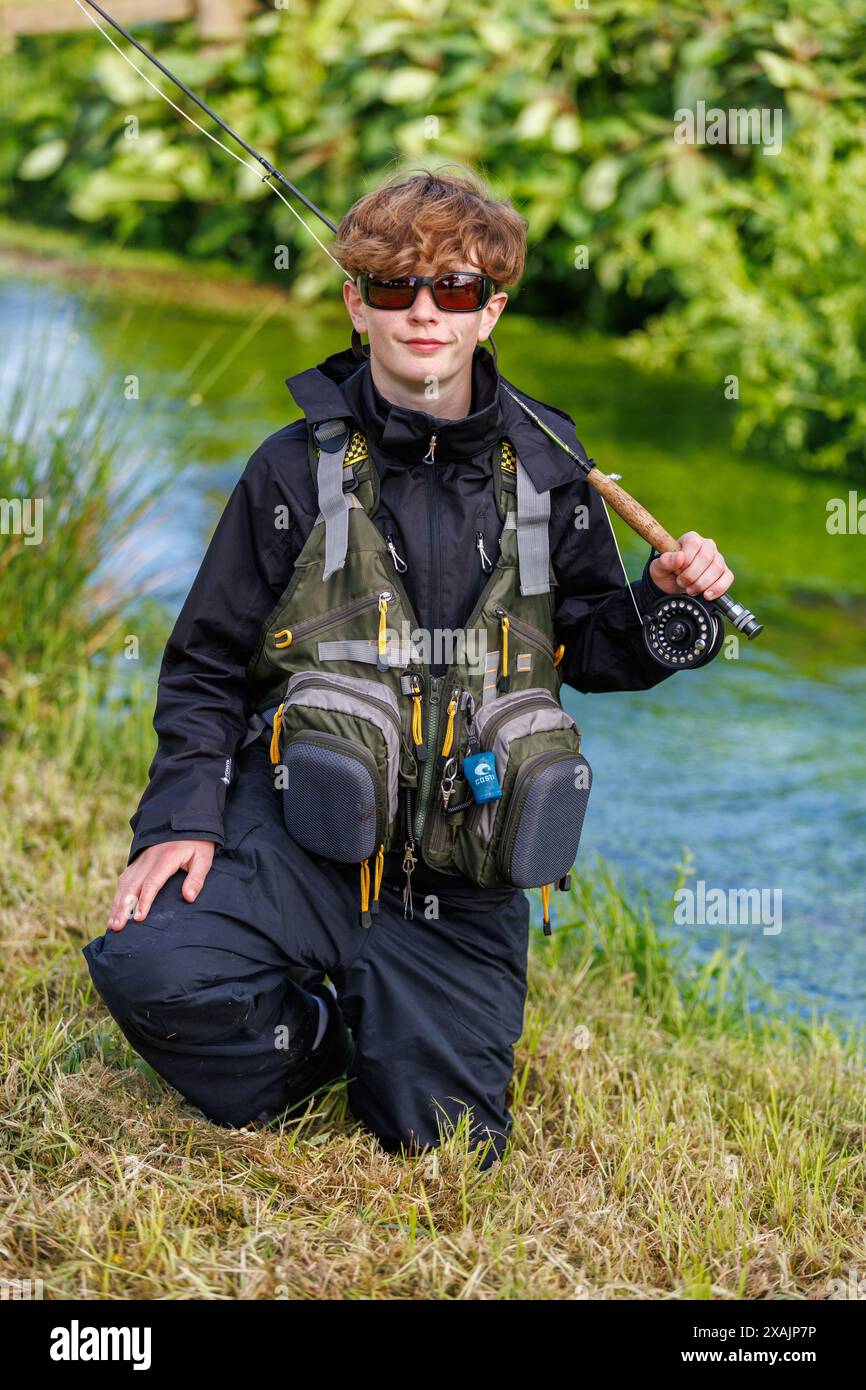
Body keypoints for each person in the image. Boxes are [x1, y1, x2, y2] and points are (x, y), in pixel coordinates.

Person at [83, 169, 734, 1170]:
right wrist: (179, 817)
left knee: (446, 1146)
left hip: (461, 867)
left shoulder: (553, 475)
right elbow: (206, 664)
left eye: (455, 290)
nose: (423, 312)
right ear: (356, 303)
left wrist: (669, 604)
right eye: (394, 288)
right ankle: (306, 1037)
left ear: (491, 310)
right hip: (298, 834)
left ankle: (389, 1018)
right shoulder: (287, 468)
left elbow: (597, 652)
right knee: (153, 970)